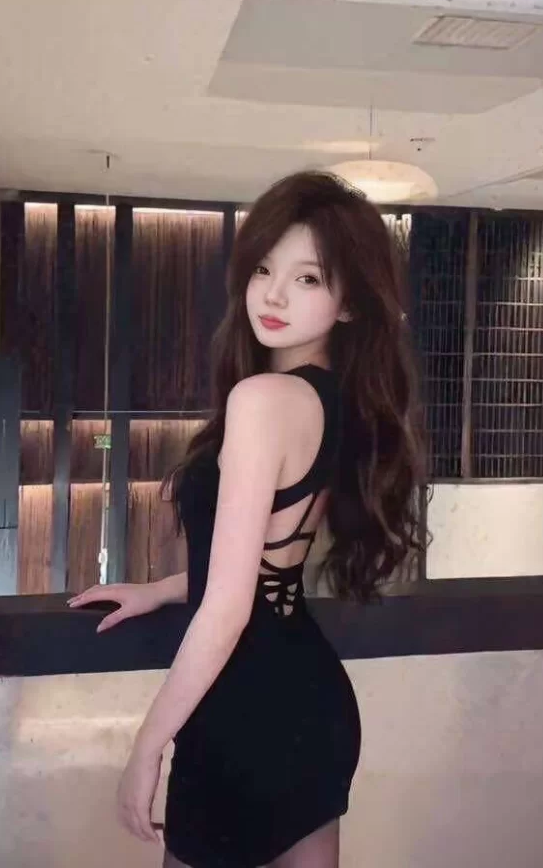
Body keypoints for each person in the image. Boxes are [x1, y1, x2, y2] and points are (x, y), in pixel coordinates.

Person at [69, 170, 426, 867]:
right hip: (306, 702)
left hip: (243, 712)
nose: (273, 294)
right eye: (264, 268)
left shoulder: (264, 400)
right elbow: (264, 563)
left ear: (350, 303)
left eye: (307, 279)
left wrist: (147, 746)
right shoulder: (334, 399)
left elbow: (231, 608)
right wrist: (166, 588)